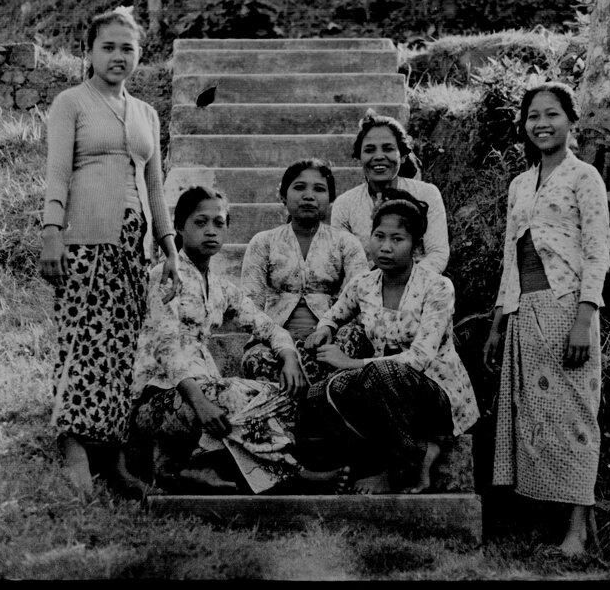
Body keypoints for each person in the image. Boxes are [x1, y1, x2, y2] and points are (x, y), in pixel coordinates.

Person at [39, 6, 180, 498]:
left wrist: (169, 248)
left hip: (132, 248)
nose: (118, 56)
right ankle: (73, 447)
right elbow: (58, 172)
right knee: (82, 342)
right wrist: (51, 231)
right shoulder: (71, 103)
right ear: (90, 51)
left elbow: (155, 186)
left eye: (128, 48)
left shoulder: (146, 114)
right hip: (82, 240)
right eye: (109, 47)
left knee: (120, 352)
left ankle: (114, 458)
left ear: (139, 54)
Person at [130, 186, 349, 495]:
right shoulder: (165, 276)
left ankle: (198, 464)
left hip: (205, 393)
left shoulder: (221, 287)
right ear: (179, 227)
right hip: (162, 398)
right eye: (200, 222)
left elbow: (268, 327)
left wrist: (289, 357)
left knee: (284, 393)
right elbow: (165, 348)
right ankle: (292, 474)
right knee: (233, 392)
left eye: (218, 223)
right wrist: (200, 402)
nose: (210, 231)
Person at [482, 81, 610, 556]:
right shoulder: (520, 184)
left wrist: (584, 318)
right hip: (525, 313)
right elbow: (510, 257)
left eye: (552, 114)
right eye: (533, 115)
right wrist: (498, 323)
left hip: (568, 309)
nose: (542, 124)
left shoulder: (584, 177)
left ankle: (576, 531)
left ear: (571, 121)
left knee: (576, 417)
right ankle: (571, 522)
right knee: (540, 419)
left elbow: (597, 251)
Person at [303, 191, 480, 494]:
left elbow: (420, 358)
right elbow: (335, 313)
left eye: (397, 239)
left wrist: (352, 363)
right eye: (379, 236)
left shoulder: (437, 287)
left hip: (435, 394)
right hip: (385, 392)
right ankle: (403, 452)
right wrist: (325, 328)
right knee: (323, 392)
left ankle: (402, 468)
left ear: (415, 246)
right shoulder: (364, 284)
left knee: (380, 373)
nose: (385, 247)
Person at [240, 159, 370, 384]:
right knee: (256, 359)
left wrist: (329, 328)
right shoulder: (263, 242)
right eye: (299, 187)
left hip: (331, 340)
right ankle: (317, 391)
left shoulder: (346, 243)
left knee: (353, 340)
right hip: (277, 345)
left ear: (331, 199)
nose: (309, 196)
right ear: (283, 196)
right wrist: (282, 343)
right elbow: (249, 309)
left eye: (319, 189)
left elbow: (362, 299)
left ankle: (303, 393)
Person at [330, 109, 450, 274]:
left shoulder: (427, 194)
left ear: (403, 156)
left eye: (388, 149)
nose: (379, 156)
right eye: (370, 150)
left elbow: (437, 253)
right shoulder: (345, 204)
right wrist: (375, 285)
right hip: (364, 284)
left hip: (418, 282)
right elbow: (346, 261)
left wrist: (406, 283)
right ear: (359, 157)